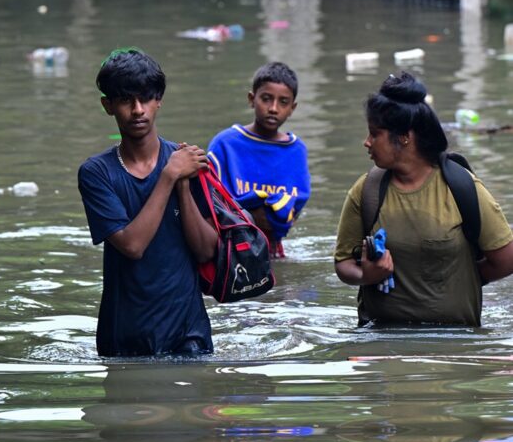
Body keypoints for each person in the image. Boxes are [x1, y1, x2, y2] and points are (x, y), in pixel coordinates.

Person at [334, 72, 513, 326]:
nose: (367, 142)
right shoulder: (367, 191)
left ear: (405, 137)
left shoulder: (462, 187)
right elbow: (343, 264)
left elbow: (506, 259)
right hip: (381, 346)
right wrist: (367, 274)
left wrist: (460, 278)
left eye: (375, 134)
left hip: (455, 344)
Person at [77, 48, 218, 357]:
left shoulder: (188, 161)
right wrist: (168, 177)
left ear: (159, 100)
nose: (138, 109)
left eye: (145, 99)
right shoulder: (96, 173)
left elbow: (207, 250)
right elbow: (132, 246)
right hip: (126, 335)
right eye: (126, 100)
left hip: (188, 332)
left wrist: (182, 184)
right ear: (108, 106)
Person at [207, 62, 310, 258]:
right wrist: (253, 216)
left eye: (283, 102)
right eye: (266, 99)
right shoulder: (225, 144)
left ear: (292, 108)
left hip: (273, 249)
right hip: (231, 245)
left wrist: (277, 217)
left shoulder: (296, 151)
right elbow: (210, 201)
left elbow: (295, 206)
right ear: (251, 99)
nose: (273, 108)